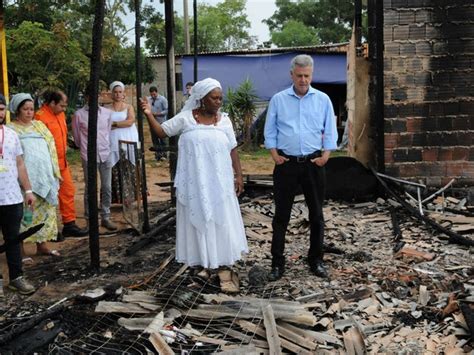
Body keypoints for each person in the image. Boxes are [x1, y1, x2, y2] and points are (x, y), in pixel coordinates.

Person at [140, 78, 248, 291]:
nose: (219, 102)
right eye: (214, 98)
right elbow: (162, 132)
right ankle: (201, 260)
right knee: (198, 215)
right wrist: (149, 114)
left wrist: (239, 175)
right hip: (196, 183)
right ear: (201, 99)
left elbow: (232, 149)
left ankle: (221, 259)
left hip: (219, 182)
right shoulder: (186, 119)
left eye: (220, 98)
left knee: (220, 217)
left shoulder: (224, 121)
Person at [264, 54, 338, 280]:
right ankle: (277, 263)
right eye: (299, 76)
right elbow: (270, 129)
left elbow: (330, 129)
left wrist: (326, 156)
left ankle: (316, 260)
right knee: (281, 216)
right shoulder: (278, 99)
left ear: (312, 75)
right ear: (291, 75)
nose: (303, 80)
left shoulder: (323, 99)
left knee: (316, 215)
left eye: (306, 76)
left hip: (314, 164)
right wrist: (274, 154)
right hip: (286, 164)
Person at [8, 93, 61, 260]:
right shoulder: (10, 129)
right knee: (23, 214)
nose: (29, 112)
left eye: (31, 109)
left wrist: (54, 173)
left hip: (44, 176)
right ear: (17, 110)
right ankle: (21, 250)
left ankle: (42, 245)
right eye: (25, 109)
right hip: (23, 180)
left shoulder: (39, 126)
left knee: (45, 212)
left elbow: (51, 148)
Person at [35, 89, 88, 238]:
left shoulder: (60, 114)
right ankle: (49, 230)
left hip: (62, 163)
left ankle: (69, 224)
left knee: (68, 192)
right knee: (48, 197)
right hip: (48, 164)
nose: (64, 109)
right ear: (52, 103)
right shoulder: (40, 117)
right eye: (62, 106)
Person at [0, 94, 36, 294]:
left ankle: (16, 278)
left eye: (2, 109)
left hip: (12, 197)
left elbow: (20, 164)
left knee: (13, 239)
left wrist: (28, 190)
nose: (0, 113)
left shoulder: (11, 134)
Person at [72, 85, 117, 231]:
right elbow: (77, 138)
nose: (94, 98)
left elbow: (108, 131)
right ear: (86, 97)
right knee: (90, 189)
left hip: (105, 153)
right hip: (88, 155)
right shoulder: (79, 115)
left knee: (107, 187)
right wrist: (84, 148)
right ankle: (90, 220)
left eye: (96, 95)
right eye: (90, 95)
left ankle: (106, 216)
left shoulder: (107, 113)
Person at [107, 81, 139, 203]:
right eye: (115, 92)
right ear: (112, 94)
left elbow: (130, 121)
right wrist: (120, 124)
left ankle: (130, 199)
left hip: (128, 141)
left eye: (120, 92)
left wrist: (115, 124)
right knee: (114, 167)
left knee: (128, 167)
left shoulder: (129, 107)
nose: (117, 94)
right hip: (113, 142)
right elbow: (104, 124)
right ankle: (116, 199)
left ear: (123, 94)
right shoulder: (106, 109)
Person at [147, 85, 168, 160]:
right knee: (155, 139)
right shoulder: (148, 99)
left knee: (162, 139)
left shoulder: (162, 99)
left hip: (161, 122)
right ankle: (157, 155)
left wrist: (158, 114)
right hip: (152, 122)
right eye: (151, 94)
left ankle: (164, 154)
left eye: (154, 94)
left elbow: (166, 110)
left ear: (157, 93)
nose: (153, 96)